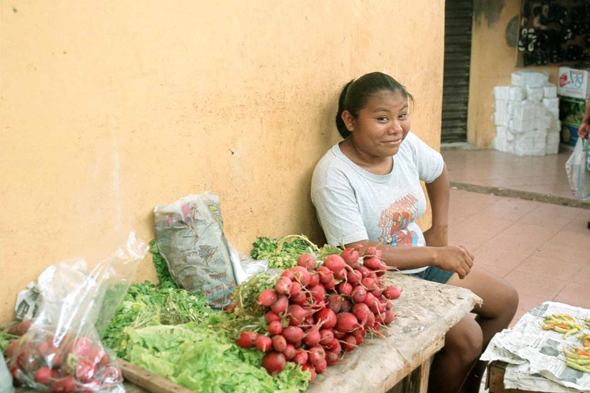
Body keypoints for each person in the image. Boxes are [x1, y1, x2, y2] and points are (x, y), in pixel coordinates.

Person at [311, 72, 519, 393]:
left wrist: (440, 229)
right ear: (350, 120)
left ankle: (464, 382)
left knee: (505, 301)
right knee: (467, 338)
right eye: (382, 118)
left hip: (423, 263)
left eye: (402, 115)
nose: (396, 128)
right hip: (380, 282)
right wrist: (436, 253)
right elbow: (359, 251)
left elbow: (437, 172)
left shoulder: (404, 146)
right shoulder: (334, 175)